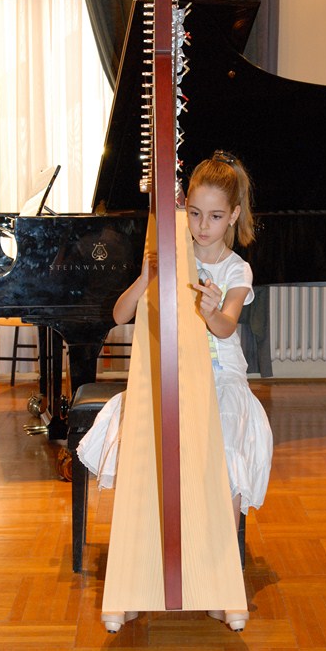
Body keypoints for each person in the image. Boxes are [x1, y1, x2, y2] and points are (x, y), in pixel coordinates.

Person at [77, 149, 273, 533]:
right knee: (143, 436)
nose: (202, 226)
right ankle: (154, 544)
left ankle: (222, 558)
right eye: (195, 213)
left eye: (215, 217)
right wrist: (146, 277)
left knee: (224, 449)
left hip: (222, 377)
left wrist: (213, 310)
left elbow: (226, 327)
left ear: (233, 215)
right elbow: (119, 315)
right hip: (176, 370)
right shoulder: (170, 255)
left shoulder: (237, 269)